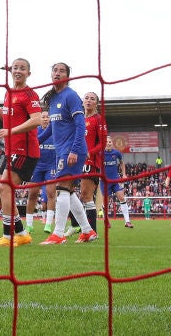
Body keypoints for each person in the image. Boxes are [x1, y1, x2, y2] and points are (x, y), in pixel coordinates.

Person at [0, 58, 42, 247]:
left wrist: (11, 132)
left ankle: (8, 237)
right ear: (10, 70)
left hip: (25, 151)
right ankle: (22, 234)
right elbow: (6, 118)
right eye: (16, 67)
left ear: (28, 73)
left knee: (5, 189)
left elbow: (37, 119)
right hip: (12, 151)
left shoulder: (29, 94)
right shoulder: (9, 94)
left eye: (22, 68)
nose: (18, 70)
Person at [39, 62, 97, 245]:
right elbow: (52, 129)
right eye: (54, 70)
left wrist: (74, 150)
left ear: (68, 76)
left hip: (72, 151)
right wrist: (35, 142)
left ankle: (58, 234)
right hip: (62, 151)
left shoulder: (70, 96)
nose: (57, 73)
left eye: (61, 71)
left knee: (61, 189)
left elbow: (80, 126)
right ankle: (87, 231)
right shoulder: (54, 98)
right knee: (69, 192)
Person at [71, 91, 108, 234]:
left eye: (92, 99)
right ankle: (77, 226)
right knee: (70, 192)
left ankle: (91, 231)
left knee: (86, 195)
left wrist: (89, 152)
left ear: (96, 103)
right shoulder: (78, 119)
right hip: (75, 161)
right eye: (86, 98)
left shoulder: (98, 119)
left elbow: (103, 142)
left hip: (90, 162)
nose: (89, 101)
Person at [30, 110, 57, 234]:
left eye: (47, 117)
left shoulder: (55, 132)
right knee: (32, 194)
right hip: (37, 166)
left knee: (51, 193)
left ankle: (48, 224)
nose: (46, 119)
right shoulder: (35, 131)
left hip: (51, 166)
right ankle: (29, 225)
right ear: (39, 119)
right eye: (43, 117)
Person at [101, 135, 133, 228]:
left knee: (122, 198)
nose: (108, 143)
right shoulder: (100, 153)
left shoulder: (117, 152)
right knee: (106, 203)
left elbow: (122, 163)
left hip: (115, 180)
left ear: (112, 143)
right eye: (106, 142)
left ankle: (127, 221)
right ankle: (106, 220)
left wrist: (124, 174)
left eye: (110, 142)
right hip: (104, 181)